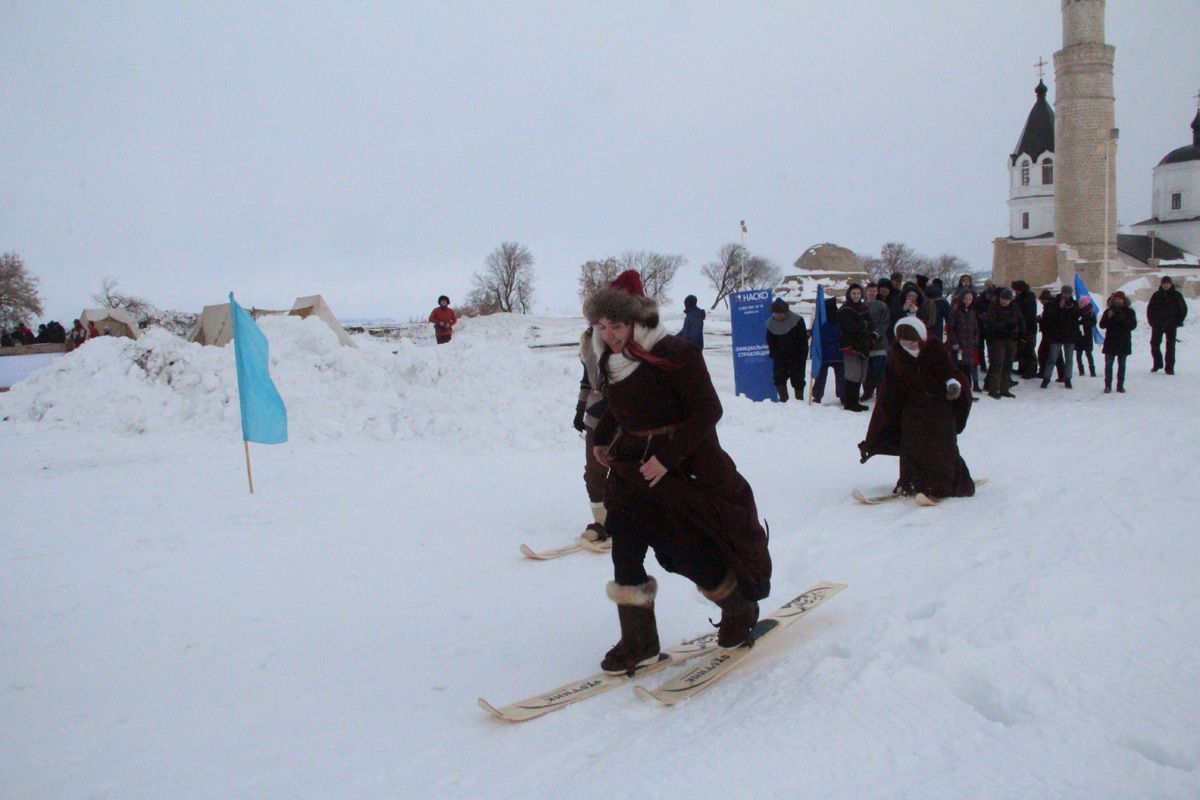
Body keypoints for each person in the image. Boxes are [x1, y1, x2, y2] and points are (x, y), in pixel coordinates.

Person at [585, 281, 771, 674]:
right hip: (632, 470)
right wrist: (603, 438)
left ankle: (738, 606)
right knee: (625, 552)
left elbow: (708, 411)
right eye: (601, 326)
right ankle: (640, 642)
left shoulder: (675, 353)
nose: (609, 335)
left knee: (686, 555)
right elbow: (622, 407)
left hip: (677, 471)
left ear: (637, 319)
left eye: (616, 325)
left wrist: (667, 458)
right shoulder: (610, 358)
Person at [858, 317, 975, 499]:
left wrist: (954, 384)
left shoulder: (935, 349)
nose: (909, 346)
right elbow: (889, 390)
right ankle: (911, 484)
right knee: (912, 449)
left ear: (921, 337)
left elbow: (950, 371)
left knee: (942, 449)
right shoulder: (896, 356)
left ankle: (946, 486)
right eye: (904, 342)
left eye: (912, 342)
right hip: (912, 412)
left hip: (939, 408)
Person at [574, 322, 611, 544]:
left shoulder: (622, 339)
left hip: (623, 414)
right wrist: (580, 409)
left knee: (624, 469)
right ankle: (603, 521)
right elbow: (587, 381)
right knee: (594, 472)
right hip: (595, 416)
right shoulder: (588, 340)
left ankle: (627, 518)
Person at [837, 284, 873, 412]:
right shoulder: (845, 309)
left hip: (863, 345)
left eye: (858, 293)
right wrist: (863, 324)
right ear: (849, 294)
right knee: (853, 375)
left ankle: (855, 401)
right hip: (851, 346)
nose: (856, 296)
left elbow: (871, 324)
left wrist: (863, 325)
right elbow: (849, 327)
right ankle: (849, 403)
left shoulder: (863, 307)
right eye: (854, 293)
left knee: (860, 375)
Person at [765, 298, 808, 402]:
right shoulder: (770, 324)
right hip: (780, 356)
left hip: (796, 355)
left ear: (786, 312)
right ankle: (784, 401)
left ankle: (799, 400)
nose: (779, 316)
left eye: (781, 313)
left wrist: (802, 356)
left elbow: (803, 341)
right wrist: (774, 354)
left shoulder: (797, 320)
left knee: (798, 379)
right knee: (779, 378)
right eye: (776, 313)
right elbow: (771, 341)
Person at [983, 288, 1023, 399]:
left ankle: (1005, 389)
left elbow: (1019, 319)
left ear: (1010, 300)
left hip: (1011, 339)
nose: (1004, 301)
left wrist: (1020, 331)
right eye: (1002, 299)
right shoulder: (993, 307)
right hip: (997, 339)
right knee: (997, 364)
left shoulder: (1014, 307)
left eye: (1006, 299)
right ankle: (993, 389)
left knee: (1008, 364)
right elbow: (991, 323)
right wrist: (1005, 326)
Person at [1039, 286, 1080, 389]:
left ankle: (1068, 379)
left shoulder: (1074, 304)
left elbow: (1077, 316)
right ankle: (1046, 379)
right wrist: (1059, 308)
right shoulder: (1054, 303)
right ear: (1061, 293)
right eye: (1065, 293)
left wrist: (1071, 309)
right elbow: (1049, 317)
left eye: (1068, 294)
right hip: (1056, 335)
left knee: (1069, 359)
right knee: (1052, 358)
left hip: (1069, 335)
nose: (1066, 295)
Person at [1147, 276, 1188, 374]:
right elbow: (1150, 309)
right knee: (1154, 345)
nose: (1166, 285)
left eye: (1167, 283)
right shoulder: (1156, 295)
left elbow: (1183, 309)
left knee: (1170, 347)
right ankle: (1157, 363)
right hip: (1157, 325)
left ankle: (1169, 368)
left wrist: (1178, 321)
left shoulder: (1177, 295)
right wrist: (1152, 322)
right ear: (1161, 284)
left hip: (1171, 325)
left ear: (1171, 284)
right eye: (1164, 283)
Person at [1099, 291, 1137, 394]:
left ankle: (1120, 385)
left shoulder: (1130, 312)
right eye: (1116, 300)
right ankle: (1107, 385)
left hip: (1123, 341)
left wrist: (1122, 318)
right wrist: (1109, 317)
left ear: (1124, 300)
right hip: (1111, 341)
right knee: (1108, 365)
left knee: (1122, 365)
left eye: (1120, 299)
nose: (1118, 301)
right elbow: (1102, 325)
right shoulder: (1108, 311)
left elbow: (1132, 325)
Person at [946, 289, 981, 394]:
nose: (967, 301)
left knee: (968, 370)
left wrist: (975, 339)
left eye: (970, 299)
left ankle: (967, 392)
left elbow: (975, 328)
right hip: (959, 346)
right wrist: (955, 342)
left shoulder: (972, 312)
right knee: (959, 369)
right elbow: (950, 328)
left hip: (969, 346)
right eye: (965, 299)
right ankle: (958, 392)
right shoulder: (956, 311)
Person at [811, 296, 845, 404]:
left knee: (822, 377)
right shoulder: (840, 319)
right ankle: (843, 396)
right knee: (840, 377)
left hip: (825, 353)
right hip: (837, 353)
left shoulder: (820, 320)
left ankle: (817, 396)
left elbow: (815, 334)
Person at [862, 283, 891, 401]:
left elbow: (885, 322)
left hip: (880, 343)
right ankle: (867, 392)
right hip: (865, 343)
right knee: (867, 371)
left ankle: (880, 393)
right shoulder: (861, 305)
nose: (872, 293)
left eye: (874, 291)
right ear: (866, 292)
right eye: (870, 291)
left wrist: (876, 333)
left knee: (879, 370)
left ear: (877, 292)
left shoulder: (882, 306)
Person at [1011, 280, 1039, 378]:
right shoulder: (1019, 298)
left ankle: (1031, 371)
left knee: (1029, 350)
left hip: (1029, 328)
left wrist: (1022, 323)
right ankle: (1022, 369)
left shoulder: (1029, 297)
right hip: (1021, 328)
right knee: (1022, 349)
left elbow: (1029, 314)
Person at [1074, 295, 1098, 378]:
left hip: (1087, 335)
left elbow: (1094, 322)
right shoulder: (1077, 311)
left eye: (1082, 303)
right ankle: (1081, 370)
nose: (1080, 304)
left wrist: (1087, 323)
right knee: (1078, 353)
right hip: (1079, 335)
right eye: (1079, 302)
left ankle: (1092, 371)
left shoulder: (1090, 312)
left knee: (1088, 353)